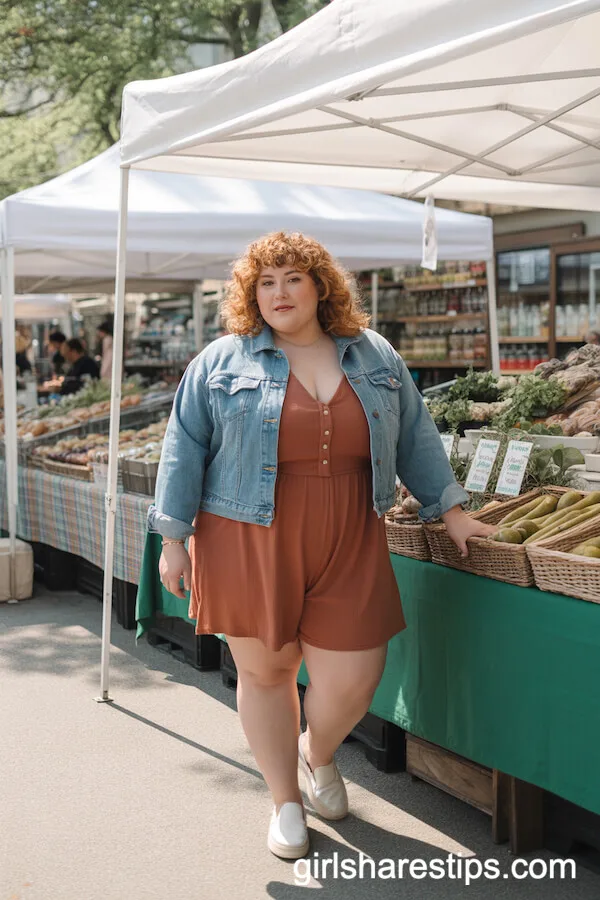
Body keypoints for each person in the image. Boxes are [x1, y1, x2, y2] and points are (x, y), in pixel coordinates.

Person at [149, 232, 495, 860]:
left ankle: (318, 752)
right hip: (244, 533)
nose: (279, 293)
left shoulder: (375, 355)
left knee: (357, 673)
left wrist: (452, 509)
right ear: (251, 294)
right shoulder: (222, 361)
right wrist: (174, 540)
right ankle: (284, 799)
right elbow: (182, 449)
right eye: (266, 282)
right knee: (266, 671)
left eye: (293, 279)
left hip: (351, 529)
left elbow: (416, 434)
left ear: (320, 287)